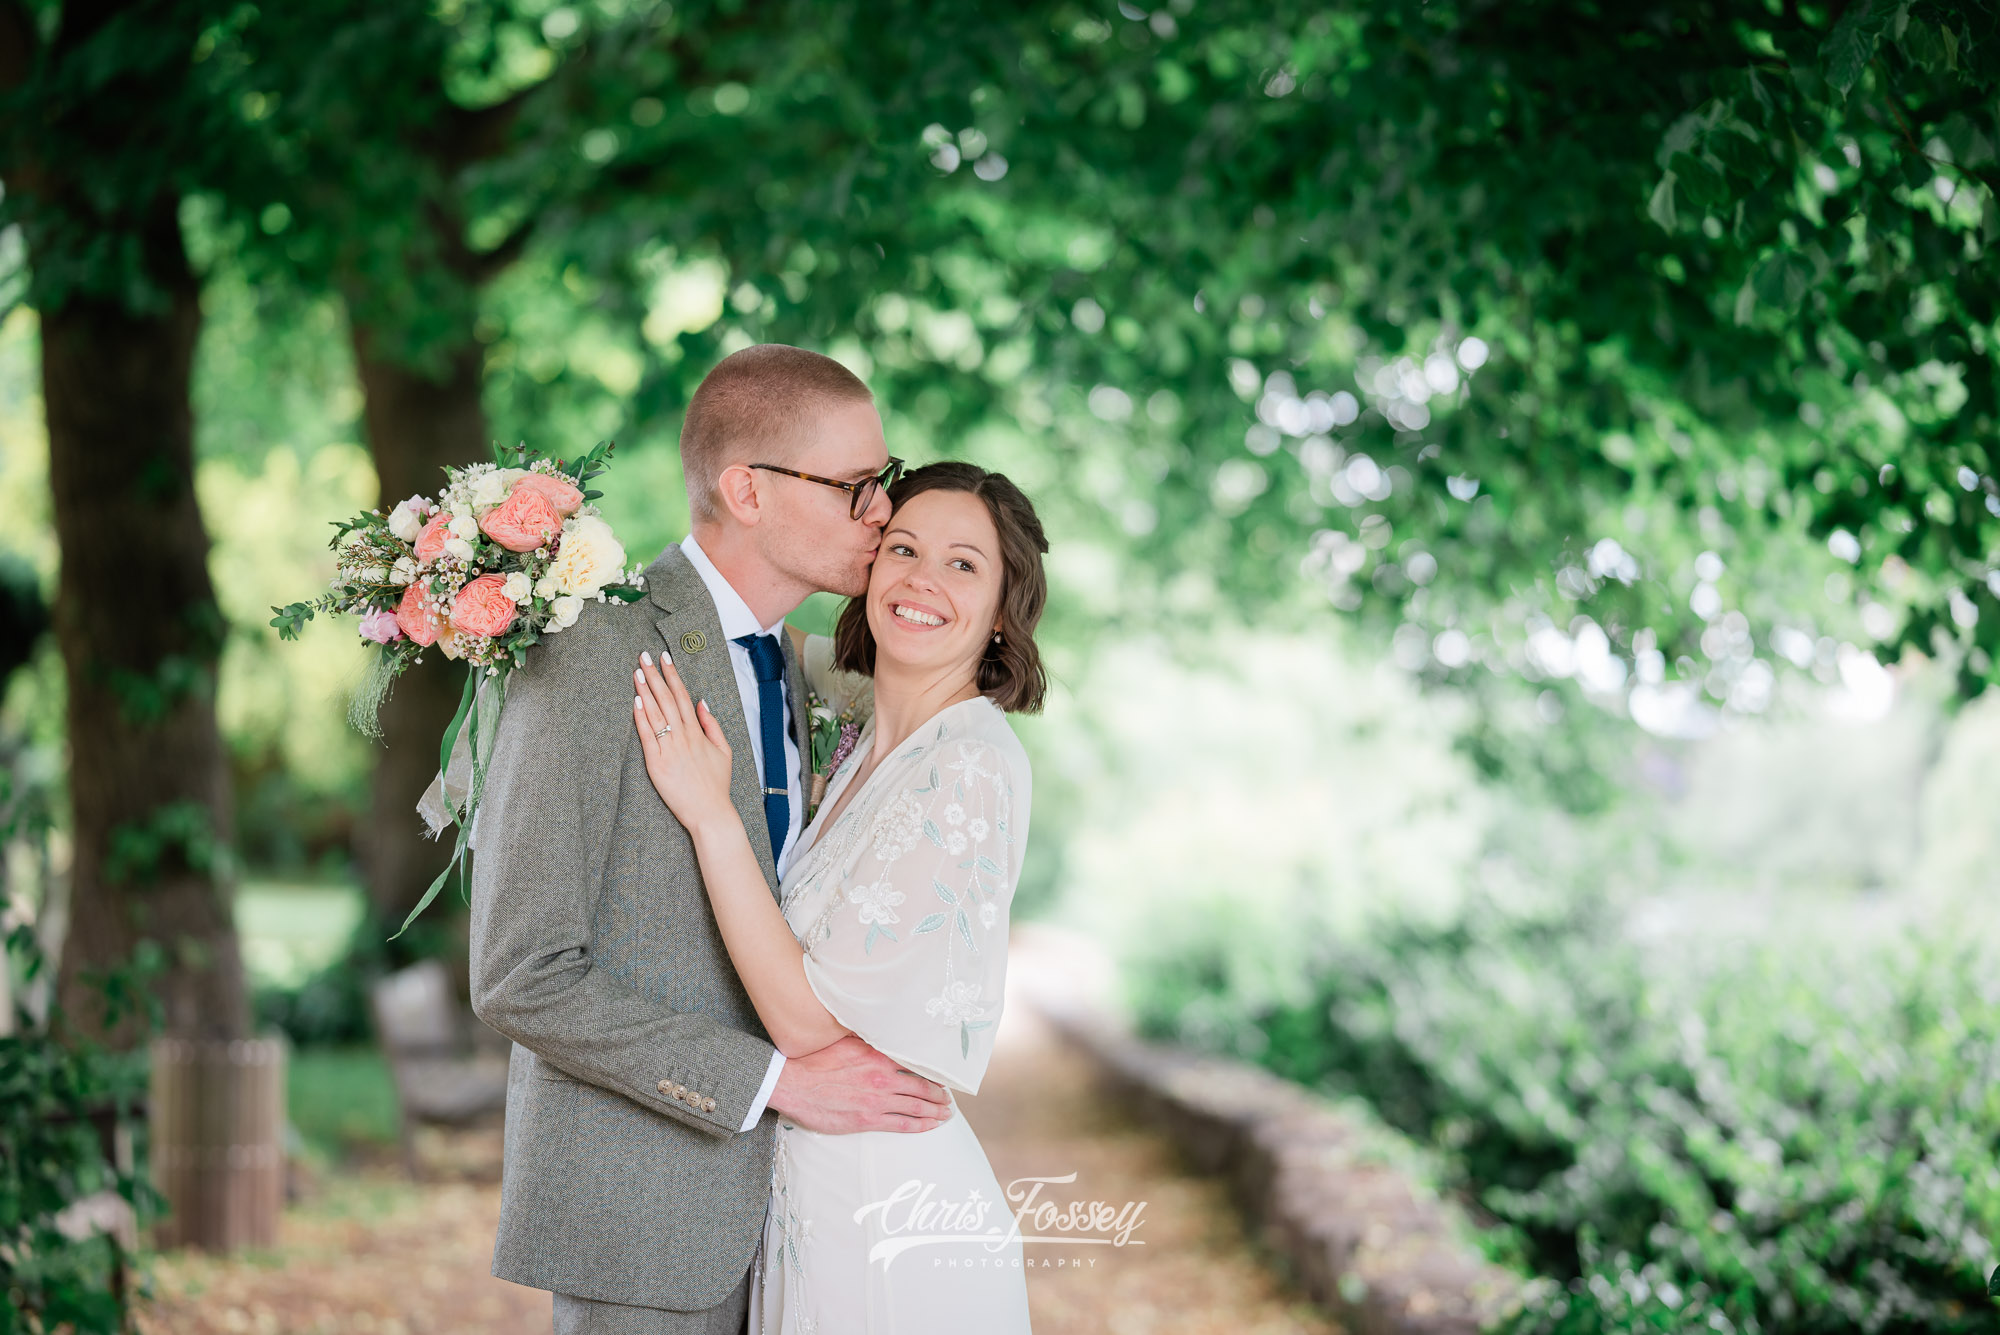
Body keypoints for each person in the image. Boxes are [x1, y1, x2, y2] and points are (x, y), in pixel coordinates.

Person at [469, 344, 962, 1335]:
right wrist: (777, 1082)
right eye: (857, 487)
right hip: (645, 1225)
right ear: (746, 490)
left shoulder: (793, 664)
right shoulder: (591, 649)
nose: (882, 513)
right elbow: (521, 973)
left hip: (803, 1226)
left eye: (886, 482)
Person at [631, 460, 1047, 1333]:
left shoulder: (968, 762)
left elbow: (810, 1025)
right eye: (903, 547)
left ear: (1005, 610)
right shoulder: (868, 734)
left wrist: (713, 816)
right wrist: (525, 587)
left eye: (964, 564)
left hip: (886, 1213)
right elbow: (744, 624)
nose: (922, 579)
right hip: (814, 1201)